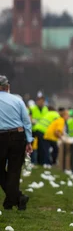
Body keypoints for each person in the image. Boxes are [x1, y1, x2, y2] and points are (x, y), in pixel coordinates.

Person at [0, 75, 32, 211]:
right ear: (8, 87)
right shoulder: (17, 100)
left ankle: (13, 199)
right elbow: (26, 121)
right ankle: (16, 198)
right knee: (14, 170)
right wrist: (29, 141)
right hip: (18, 136)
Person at [30, 95, 48, 165]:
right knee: (30, 146)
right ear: (37, 101)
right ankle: (30, 161)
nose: (41, 102)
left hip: (41, 130)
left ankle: (40, 162)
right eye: (39, 101)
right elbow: (29, 117)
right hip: (33, 130)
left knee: (41, 147)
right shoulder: (33, 108)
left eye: (42, 101)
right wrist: (31, 120)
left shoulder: (46, 109)